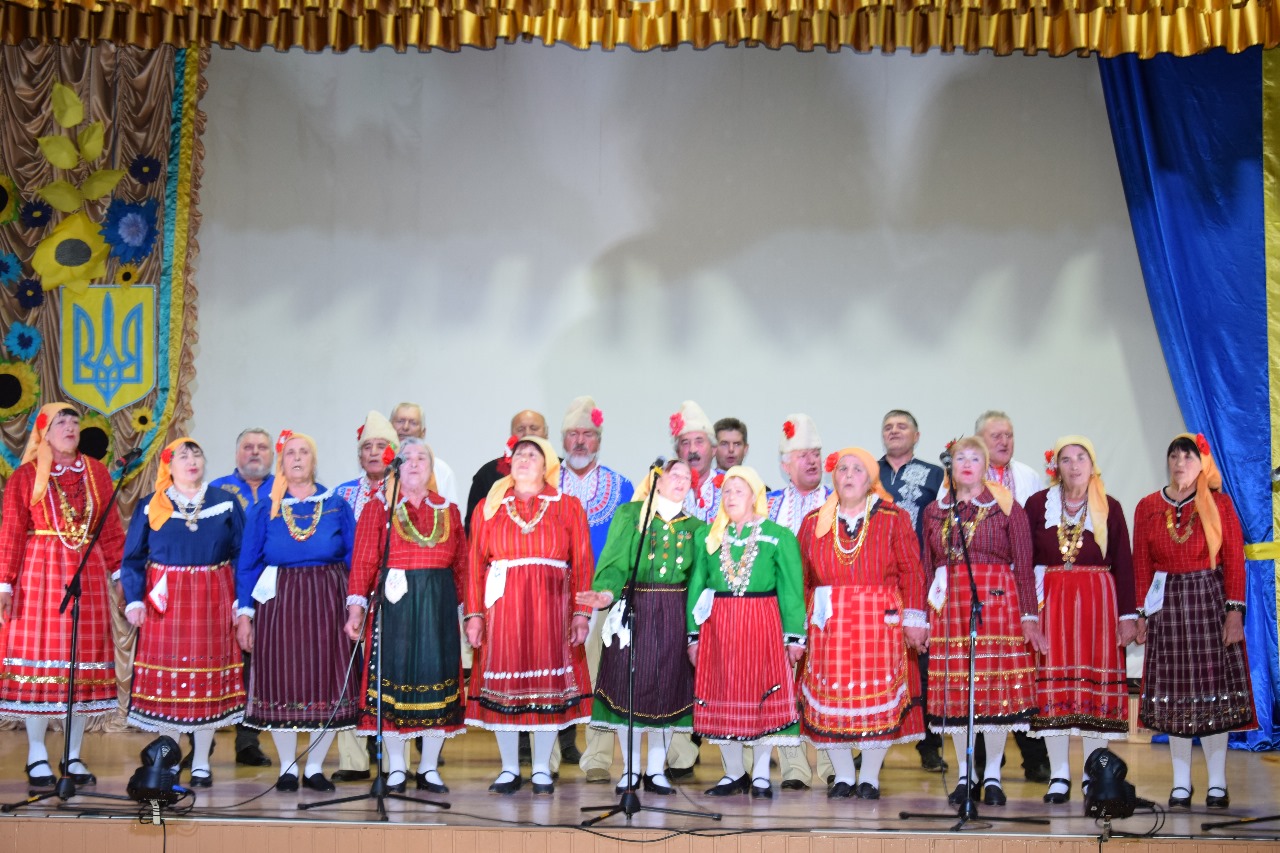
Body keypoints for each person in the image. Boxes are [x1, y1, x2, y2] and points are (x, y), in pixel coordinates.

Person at [0, 403, 124, 789]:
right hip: (40, 574)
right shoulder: (25, 476)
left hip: (87, 572)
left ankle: (72, 754)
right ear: (44, 431)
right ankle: (37, 753)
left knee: (81, 666)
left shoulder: (96, 472)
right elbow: (12, 530)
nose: (70, 427)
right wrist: (4, 583)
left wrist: (120, 574)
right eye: (61, 422)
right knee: (41, 662)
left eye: (74, 421)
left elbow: (110, 528)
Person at [464, 436, 594, 795]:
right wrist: (473, 615)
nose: (524, 459)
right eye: (519, 454)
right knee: (504, 688)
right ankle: (509, 768)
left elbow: (583, 562)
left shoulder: (567, 505)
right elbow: (474, 563)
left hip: (552, 609)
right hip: (502, 610)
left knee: (546, 688)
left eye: (533, 455)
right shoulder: (489, 506)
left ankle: (540, 768)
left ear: (547, 464)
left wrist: (581, 613)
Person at [797, 447, 928, 799]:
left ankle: (869, 776)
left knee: (877, 701)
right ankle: (843, 775)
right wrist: (799, 625)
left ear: (870, 478)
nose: (849, 475)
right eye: (842, 469)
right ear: (834, 477)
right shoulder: (813, 522)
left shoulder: (893, 517)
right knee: (834, 700)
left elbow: (911, 571)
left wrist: (914, 619)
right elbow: (802, 579)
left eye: (857, 469)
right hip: (829, 625)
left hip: (880, 623)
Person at [1132, 433, 1254, 809]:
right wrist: (1140, 614)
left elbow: (1234, 558)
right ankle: (1181, 784)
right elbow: (1141, 564)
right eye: (1174, 456)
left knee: (1213, 695)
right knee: (1176, 698)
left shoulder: (1219, 503)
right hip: (1167, 607)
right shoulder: (1148, 506)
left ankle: (1217, 783)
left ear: (1202, 464)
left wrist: (1234, 612)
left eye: (1188, 456)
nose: (1180, 462)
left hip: (1209, 602)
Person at [922, 436, 1045, 807]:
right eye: (960, 457)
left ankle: (992, 775)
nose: (967, 464)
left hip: (995, 604)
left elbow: (1024, 567)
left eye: (975, 458)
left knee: (994, 694)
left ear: (986, 465)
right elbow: (926, 567)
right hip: (948, 609)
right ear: (950, 465)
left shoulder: (1007, 508)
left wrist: (1029, 617)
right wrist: (922, 618)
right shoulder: (934, 511)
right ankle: (965, 775)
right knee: (958, 694)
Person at [235, 431, 359, 793]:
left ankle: (315, 767)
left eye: (304, 452)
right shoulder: (265, 509)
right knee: (283, 681)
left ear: (314, 460)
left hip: (328, 599)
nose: (298, 458)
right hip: (279, 602)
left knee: (327, 682)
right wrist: (244, 615)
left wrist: (356, 606)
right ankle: (288, 767)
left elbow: (354, 558)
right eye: (290, 453)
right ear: (282, 462)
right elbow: (248, 565)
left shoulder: (336, 505)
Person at [121, 438, 247, 787]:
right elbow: (133, 557)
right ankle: (168, 759)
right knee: (170, 684)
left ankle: (202, 760)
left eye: (197, 454)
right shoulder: (152, 505)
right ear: (169, 464)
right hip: (166, 603)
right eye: (183, 455)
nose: (192, 461)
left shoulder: (225, 502)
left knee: (207, 680)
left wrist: (240, 602)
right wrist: (134, 599)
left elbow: (242, 554)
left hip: (213, 596)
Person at [344, 438, 467, 793]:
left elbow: (461, 565)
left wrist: (467, 614)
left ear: (431, 467)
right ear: (395, 467)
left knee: (436, 682)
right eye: (407, 458)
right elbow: (363, 561)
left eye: (421, 458)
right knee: (392, 683)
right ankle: (397, 767)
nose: (413, 463)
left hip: (438, 607)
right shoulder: (378, 509)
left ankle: (428, 768)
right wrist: (356, 609)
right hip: (394, 609)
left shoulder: (449, 510)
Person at [576, 459, 701, 794]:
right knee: (628, 690)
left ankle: (656, 770)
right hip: (636, 608)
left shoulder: (696, 527)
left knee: (665, 692)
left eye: (687, 478)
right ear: (658, 480)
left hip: (674, 612)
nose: (681, 481)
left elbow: (698, 579)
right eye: (674, 475)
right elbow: (614, 563)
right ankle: (630, 769)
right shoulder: (632, 515)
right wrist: (605, 593)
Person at [1024, 436, 1136, 804]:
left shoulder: (1109, 506)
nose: (1074, 466)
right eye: (1066, 459)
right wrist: (1028, 614)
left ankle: (1094, 774)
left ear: (1092, 464)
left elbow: (1123, 563)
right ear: (1055, 466)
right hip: (1052, 603)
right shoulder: (1037, 504)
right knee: (1053, 689)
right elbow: (1025, 563)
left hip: (1097, 603)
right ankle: (1059, 775)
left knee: (1093, 689)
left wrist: (1128, 616)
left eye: (1081, 458)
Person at [686, 466, 806, 799]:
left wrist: (794, 636)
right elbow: (697, 585)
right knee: (724, 695)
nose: (731, 497)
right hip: (719, 626)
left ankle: (761, 774)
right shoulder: (709, 536)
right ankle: (734, 773)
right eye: (726, 491)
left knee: (760, 696)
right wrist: (693, 634)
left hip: (761, 622)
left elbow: (791, 589)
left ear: (755, 496)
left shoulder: (778, 536)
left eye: (739, 491)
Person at [558, 396, 634, 779]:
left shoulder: (622, 487)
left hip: (602, 596)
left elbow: (627, 547)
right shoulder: (544, 482)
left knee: (603, 674)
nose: (580, 441)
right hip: (552, 594)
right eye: (573, 433)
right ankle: (544, 762)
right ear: (562, 439)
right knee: (548, 672)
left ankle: (598, 758)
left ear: (599, 440)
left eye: (587, 434)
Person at [973, 410, 1051, 783]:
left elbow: (1037, 534)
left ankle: (1035, 756)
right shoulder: (964, 478)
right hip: (979, 588)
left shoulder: (1029, 477)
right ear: (979, 442)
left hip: (1020, 583)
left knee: (1020, 671)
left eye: (1009, 435)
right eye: (996, 436)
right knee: (981, 673)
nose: (1004, 442)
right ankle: (984, 763)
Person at [330, 410, 399, 783]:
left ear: (394, 453)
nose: (374, 452)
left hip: (395, 596)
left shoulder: (406, 491)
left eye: (381, 446)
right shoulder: (342, 495)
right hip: (350, 594)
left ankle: (394, 762)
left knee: (393, 674)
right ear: (359, 455)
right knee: (351, 672)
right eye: (367, 447)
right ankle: (353, 760)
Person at [877, 409, 947, 773]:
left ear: (916, 436)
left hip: (920, 579)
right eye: (888, 427)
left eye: (901, 426)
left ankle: (929, 746)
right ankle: (870, 744)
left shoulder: (935, 475)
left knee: (924, 666)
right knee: (875, 665)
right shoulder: (867, 472)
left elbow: (941, 528)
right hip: (877, 583)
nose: (894, 431)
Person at [764, 414, 831, 791]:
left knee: (826, 683)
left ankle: (833, 763)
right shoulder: (770, 504)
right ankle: (793, 767)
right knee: (783, 686)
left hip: (825, 608)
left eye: (816, 454)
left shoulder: (837, 501)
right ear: (786, 465)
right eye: (803, 455)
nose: (812, 461)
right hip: (779, 609)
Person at [207, 428, 275, 768]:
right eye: (248, 447)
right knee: (210, 664)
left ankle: (247, 742)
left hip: (269, 592)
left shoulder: (283, 489)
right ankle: (199, 742)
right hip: (220, 589)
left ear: (272, 455)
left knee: (255, 666)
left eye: (262, 447)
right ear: (237, 454)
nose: (255, 452)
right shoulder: (215, 491)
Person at [466, 409, 548, 532]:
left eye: (534, 428)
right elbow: (472, 527)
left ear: (546, 433)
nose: (527, 434)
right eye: (520, 429)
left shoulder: (562, 469)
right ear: (511, 434)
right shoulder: (488, 474)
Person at [390, 402, 460, 507]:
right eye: (400, 421)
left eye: (413, 423)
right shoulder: (379, 467)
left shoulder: (441, 470)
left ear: (423, 432)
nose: (405, 427)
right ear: (390, 427)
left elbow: (451, 511)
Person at [670, 400, 720, 522]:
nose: (692, 449)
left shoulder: (729, 487)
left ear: (713, 450)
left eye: (699, 441)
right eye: (685, 443)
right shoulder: (666, 489)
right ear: (677, 453)